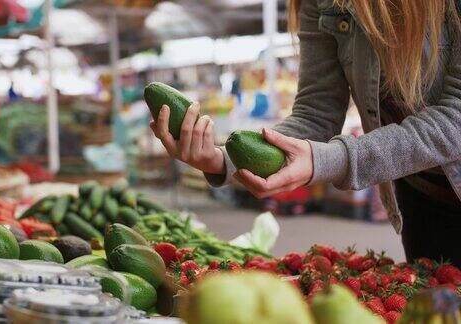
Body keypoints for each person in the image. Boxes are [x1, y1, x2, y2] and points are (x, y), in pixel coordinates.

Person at [150, 0, 461, 266]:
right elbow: (315, 114)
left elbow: (456, 118)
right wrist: (222, 159)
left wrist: (331, 159)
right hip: (422, 198)